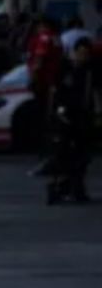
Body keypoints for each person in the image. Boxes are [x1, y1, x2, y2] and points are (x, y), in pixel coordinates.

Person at [47, 39, 98, 202]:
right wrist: (56, 111)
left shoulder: (91, 71)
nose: (82, 57)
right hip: (65, 116)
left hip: (83, 117)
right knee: (63, 155)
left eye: (85, 54)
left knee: (82, 155)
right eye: (80, 53)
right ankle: (59, 186)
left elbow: (94, 93)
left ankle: (76, 187)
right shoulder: (64, 70)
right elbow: (55, 92)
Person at [27, 17, 62, 168]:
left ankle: (44, 148)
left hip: (43, 83)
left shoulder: (43, 38)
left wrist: (33, 79)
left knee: (42, 116)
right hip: (53, 81)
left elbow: (39, 59)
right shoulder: (56, 38)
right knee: (51, 115)